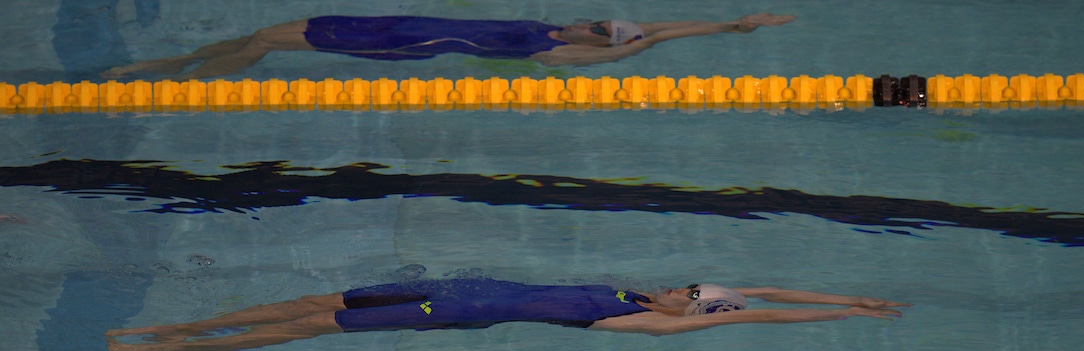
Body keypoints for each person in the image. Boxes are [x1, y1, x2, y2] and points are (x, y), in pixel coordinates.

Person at [105, 278, 908, 351]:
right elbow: (769, 287)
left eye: (688, 298)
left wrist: (835, 318)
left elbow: (759, 317)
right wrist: (849, 295)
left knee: (306, 329)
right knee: (305, 304)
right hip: (451, 284)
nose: (677, 291)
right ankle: (179, 327)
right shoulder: (644, 291)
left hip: (443, 314)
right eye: (685, 287)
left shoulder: (645, 324)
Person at [100, 13, 795, 78]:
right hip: (392, 23)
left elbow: (655, 39)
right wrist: (731, 19)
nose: (594, 26)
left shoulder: (552, 55)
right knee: (260, 36)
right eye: (602, 22)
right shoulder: (552, 29)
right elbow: (655, 25)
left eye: (604, 33)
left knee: (266, 44)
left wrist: (731, 32)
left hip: (401, 48)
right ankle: (182, 64)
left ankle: (188, 77)